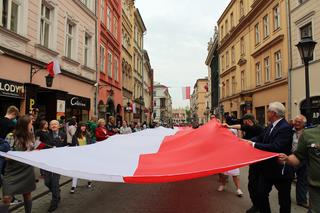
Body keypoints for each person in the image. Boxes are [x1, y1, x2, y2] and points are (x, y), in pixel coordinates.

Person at [247, 102, 294, 213]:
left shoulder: (285, 128)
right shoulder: (271, 125)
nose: (267, 113)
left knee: (284, 200)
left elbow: (277, 147)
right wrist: (245, 142)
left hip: (281, 170)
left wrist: (253, 145)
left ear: (273, 113)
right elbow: (260, 137)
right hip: (267, 169)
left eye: (268, 111)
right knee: (261, 194)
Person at [223, 114, 264, 212]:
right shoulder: (251, 128)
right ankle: (257, 205)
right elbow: (240, 125)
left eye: (245, 122)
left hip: (260, 161)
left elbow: (242, 127)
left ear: (249, 121)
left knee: (257, 185)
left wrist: (230, 127)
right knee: (252, 184)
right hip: (253, 160)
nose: (243, 124)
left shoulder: (257, 128)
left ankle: (259, 206)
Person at [279, 124, 320, 213]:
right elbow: (298, 157)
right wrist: (287, 159)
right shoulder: (309, 133)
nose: (297, 123)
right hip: (316, 189)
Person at [0, 115, 36, 213]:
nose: (32, 124)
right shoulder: (11, 136)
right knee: (6, 198)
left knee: (27, 194)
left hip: (27, 169)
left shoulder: (31, 135)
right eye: (30, 123)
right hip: (12, 171)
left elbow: (33, 150)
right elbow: (5, 155)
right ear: (25, 125)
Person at [43, 120, 67, 212]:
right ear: (49, 126)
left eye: (55, 124)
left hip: (58, 162)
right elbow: (42, 146)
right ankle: (57, 192)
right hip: (48, 162)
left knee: (55, 182)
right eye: (51, 124)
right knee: (47, 182)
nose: (53, 125)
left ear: (59, 126)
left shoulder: (64, 135)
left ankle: (54, 202)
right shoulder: (46, 135)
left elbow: (69, 146)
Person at [217, 128, 243, 197]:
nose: (230, 134)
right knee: (223, 175)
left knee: (235, 175)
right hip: (224, 160)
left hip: (233, 160)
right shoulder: (223, 140)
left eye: (232, 133)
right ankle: (222, 185)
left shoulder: (236, 140)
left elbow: (240, 142)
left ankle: (238, 189)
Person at [291, 115, 309, 208]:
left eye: (299, 122)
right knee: (287, 178)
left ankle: (301, 200)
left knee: (302, 180)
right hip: (291, 158)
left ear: (304, 124)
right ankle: (284, 196)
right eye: (296, 121)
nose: (297, 123)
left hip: (304, 159)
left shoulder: (307, 132)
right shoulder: (289, 131)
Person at [70, 123, 93, 194]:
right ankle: (73, 186)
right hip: (78, 156)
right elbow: (73, 146)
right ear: (79, 127)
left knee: (88, 169)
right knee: (76, 170)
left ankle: (89, 181)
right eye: (82, 126)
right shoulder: (75, 136)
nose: (83, 128)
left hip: (87, 155)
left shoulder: (88, 135)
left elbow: (91, 144)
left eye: (84, 126)